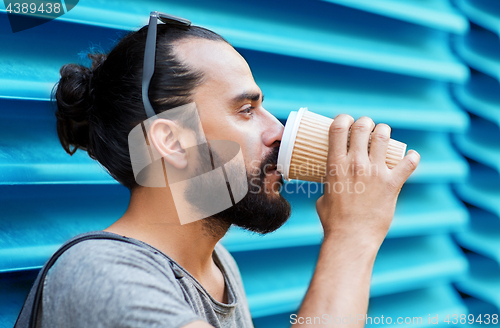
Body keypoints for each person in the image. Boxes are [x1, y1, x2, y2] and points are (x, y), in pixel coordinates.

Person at [40, 12, 420, 328]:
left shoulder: (220, 268)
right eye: (246, 110)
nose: (279, 132)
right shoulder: (101, 274)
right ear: (171, 142)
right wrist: (353, 235)